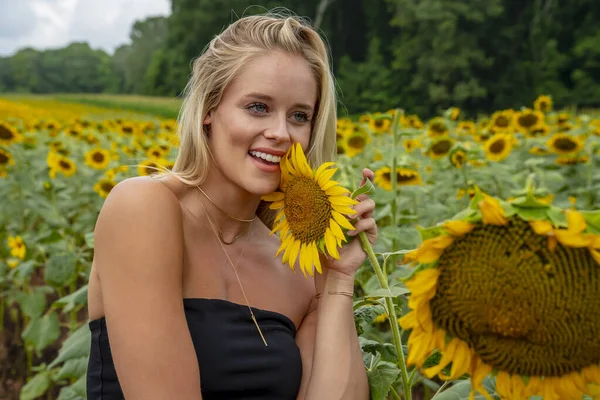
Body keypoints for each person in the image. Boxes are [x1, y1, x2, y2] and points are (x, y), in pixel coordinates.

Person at [86, 10, 377, 400]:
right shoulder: (145, 207)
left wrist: (338, 282)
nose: (280, 133)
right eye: (258, 107)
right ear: (209, 109)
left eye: (299, 116)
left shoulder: (296, 266)